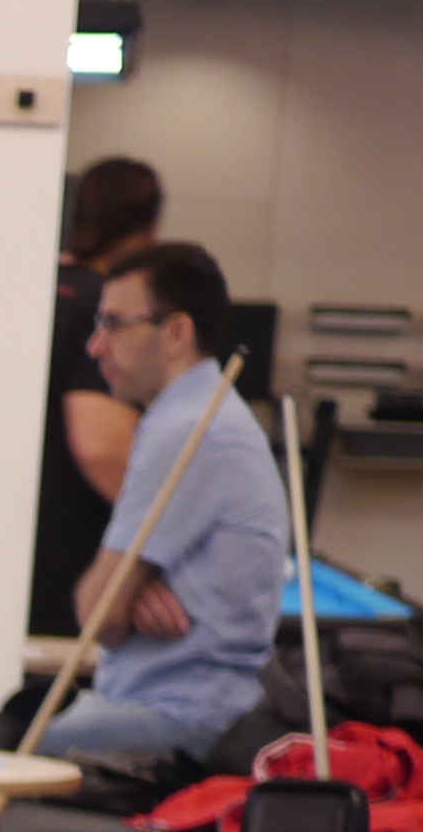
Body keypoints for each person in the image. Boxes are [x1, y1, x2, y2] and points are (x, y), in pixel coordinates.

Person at [42, 239, 286, 770]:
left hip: (184, 719)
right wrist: (133, 587)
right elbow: (111, 604)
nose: (95, 347)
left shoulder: (187, 429)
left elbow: (97, 615)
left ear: (176, 332)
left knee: (6, 750)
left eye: (113, 324)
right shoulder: (197, 413)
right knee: (15, 726)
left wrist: (121, 593)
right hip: (178, 705)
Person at [32, 157, 162, 635]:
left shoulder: (35, 288)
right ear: (150, 231)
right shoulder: (105, 308)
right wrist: (163, 549)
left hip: (15, 552)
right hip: (69, 566)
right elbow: (101, 448)